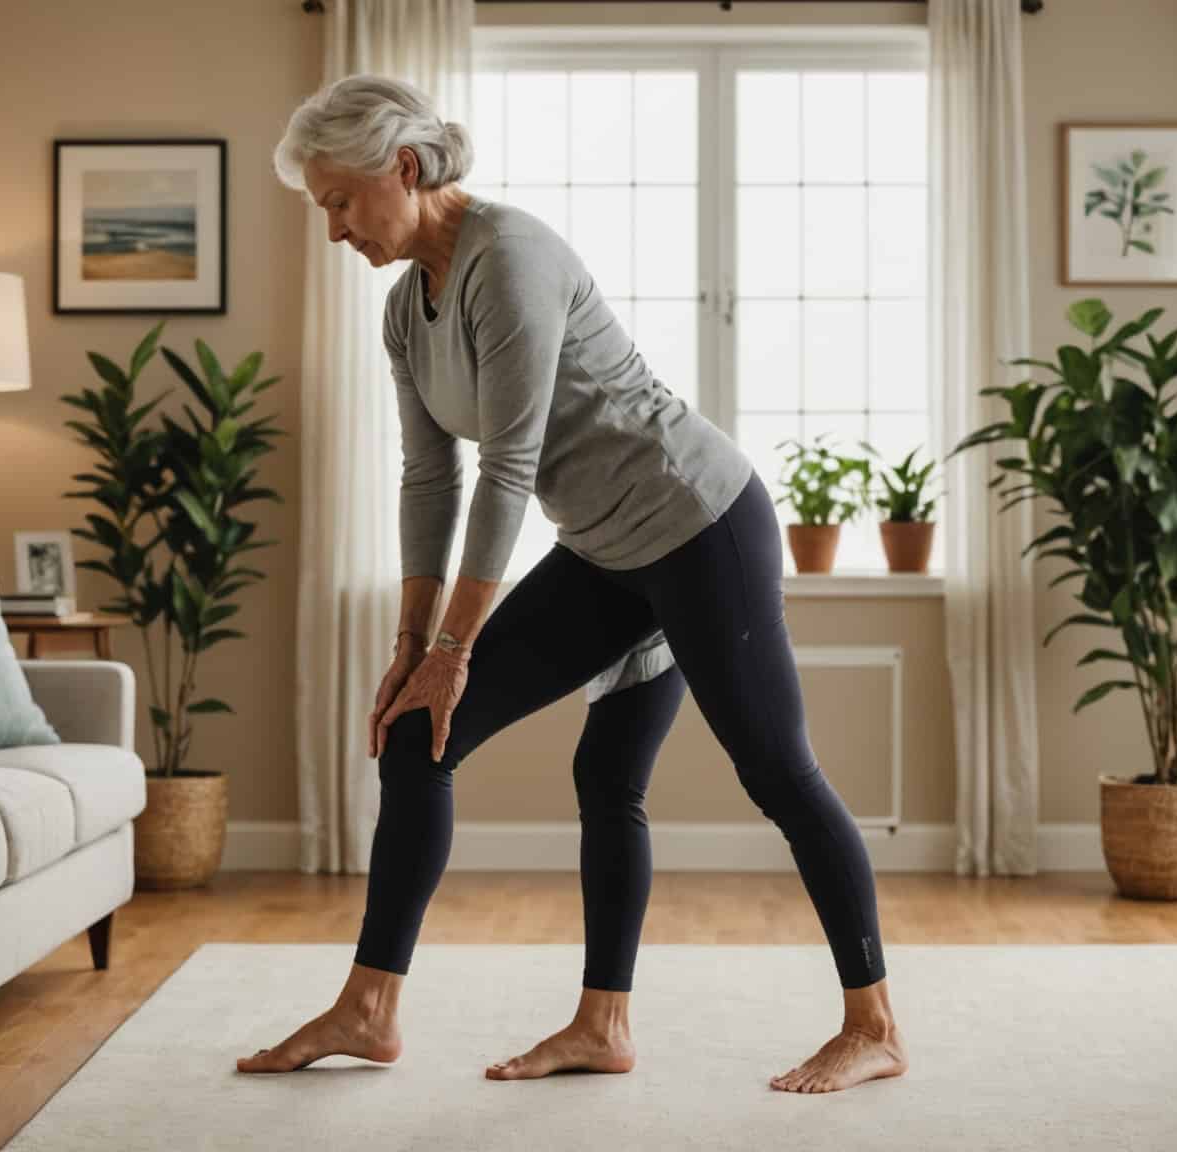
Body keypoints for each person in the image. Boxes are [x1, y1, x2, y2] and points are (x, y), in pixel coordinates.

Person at [247, 73, 904, 1094]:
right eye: (321, 207)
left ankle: (875, 1025)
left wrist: (458, 649)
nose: (334, 228)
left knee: (776, 768)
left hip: (700, 526)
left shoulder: (511, 259)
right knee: (426, 740)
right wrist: (411, 649)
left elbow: (507, 467)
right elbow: (430, 476)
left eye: (339, 200)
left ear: (404, 170)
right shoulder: (401, 313)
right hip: (605, 549)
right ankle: (390, 1010)